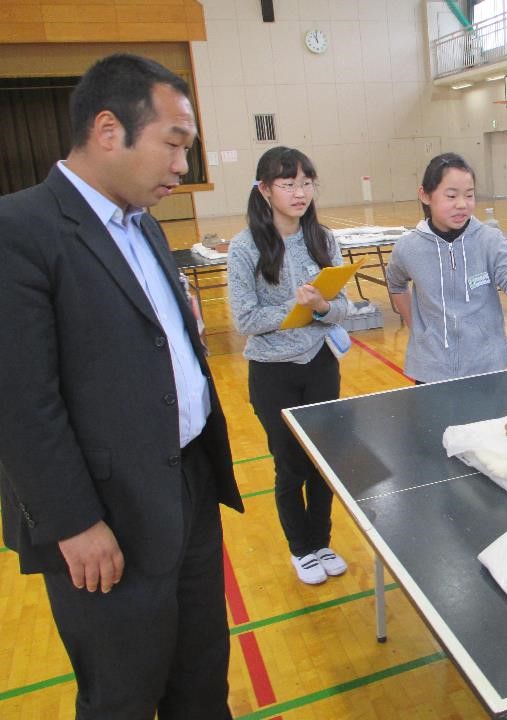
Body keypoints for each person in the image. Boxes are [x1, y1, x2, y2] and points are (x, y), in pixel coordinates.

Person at [0, 53, 243, 719]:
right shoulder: (19, 230)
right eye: (174, 143)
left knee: (202, 681)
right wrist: (73, 522)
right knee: (123, 697)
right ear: (109, 130)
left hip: (187, 486)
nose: (183, 166)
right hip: (103, 516)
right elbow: (19, 401)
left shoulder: (147, 226)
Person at [227, 146, 350, 585]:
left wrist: (322, 308)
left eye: (306, 183)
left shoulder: (323, 240)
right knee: (290, 465)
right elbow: (244, 319)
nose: (300, 193)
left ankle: (322, 541)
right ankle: (301, 548)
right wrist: (296, 309)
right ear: (264, 190)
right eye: (288, 184)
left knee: (322, 461)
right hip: (273, 372)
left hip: (320, 364)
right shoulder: (245, 247)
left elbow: (343, 307)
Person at [385, 152, 507, 382]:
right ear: (425, 195)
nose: (462, 204)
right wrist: (417, 328)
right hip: (430, 369)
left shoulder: (490, 240)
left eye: (469, 195)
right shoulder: (408, 247)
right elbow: (395, 283)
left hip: (487, 365)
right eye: (451, 196)